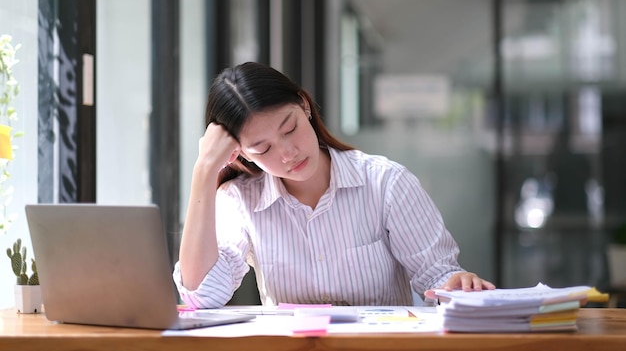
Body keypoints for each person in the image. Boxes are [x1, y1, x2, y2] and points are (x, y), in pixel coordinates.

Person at [174, 62, 495, 308]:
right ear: (239, 153)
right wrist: (204, 171)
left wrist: (457, 284)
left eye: (290, 129)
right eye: (263, 149)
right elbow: (202, 297)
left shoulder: (386, 183)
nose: (288, 153)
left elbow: (438, 279)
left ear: (304, 105)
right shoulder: (240, 201)